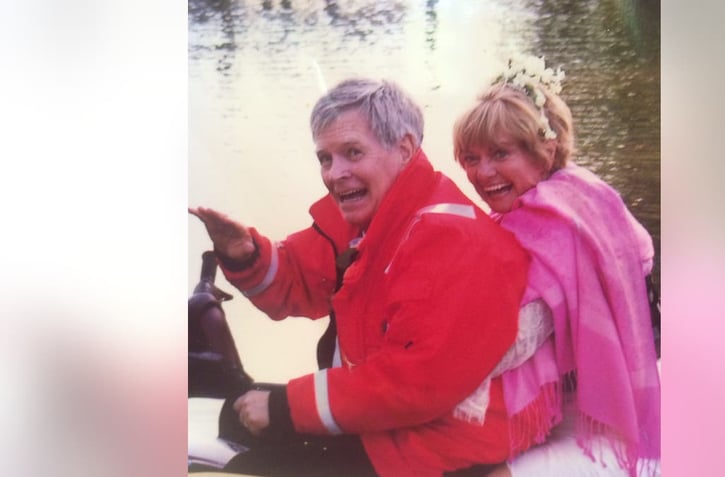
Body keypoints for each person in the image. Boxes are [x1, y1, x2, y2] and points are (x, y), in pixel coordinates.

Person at [190, 78, 552, 476]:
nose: (335, 173)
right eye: (325, 159)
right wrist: (244, 253)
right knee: (234, 415)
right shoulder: (372, 214)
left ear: (404, 149)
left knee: (250, 468)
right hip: (389, 422)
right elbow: (296, 280)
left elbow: (416, 382)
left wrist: (285, 407)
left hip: (441, 444)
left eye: (352, 153)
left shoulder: (452, 239)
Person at [452, 57, 661, 476]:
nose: (482, 172)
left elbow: (510, 344)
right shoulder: (581, 194)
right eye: (471, 158)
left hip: (613, 426)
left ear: (545, 149)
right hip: (604, 395)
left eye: (500, 153)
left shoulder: (551, 228)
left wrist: (413, 363)